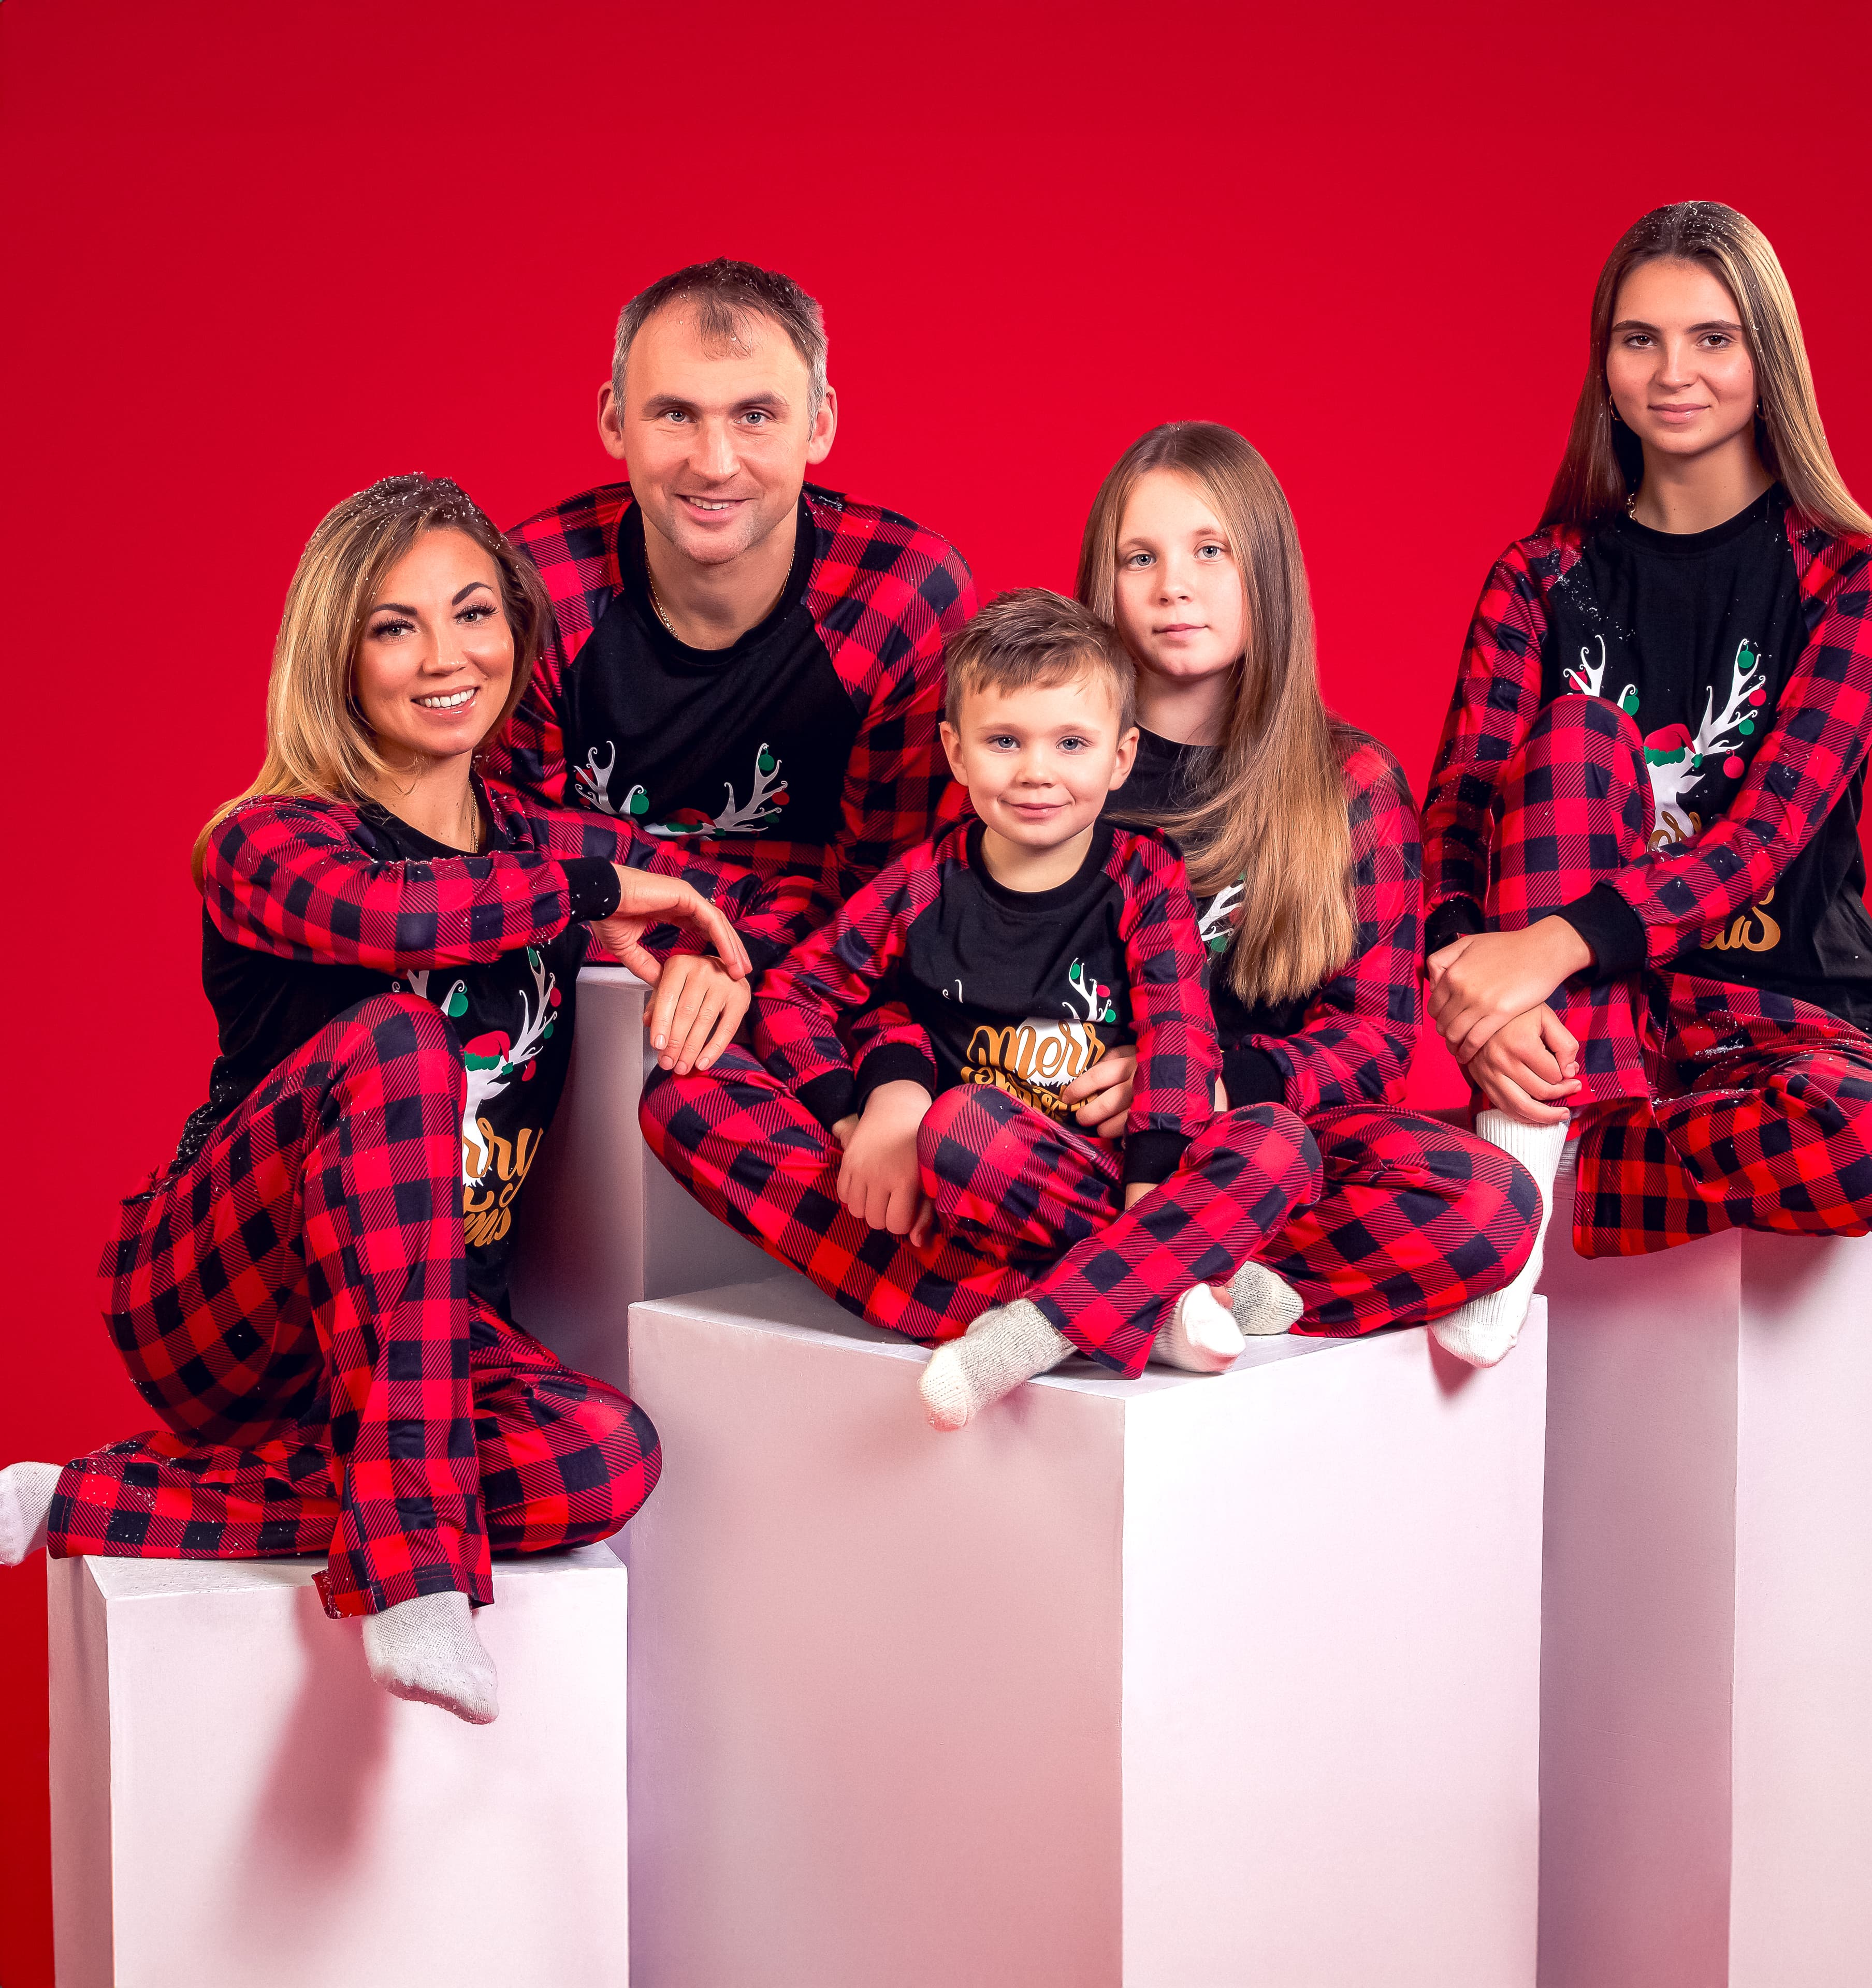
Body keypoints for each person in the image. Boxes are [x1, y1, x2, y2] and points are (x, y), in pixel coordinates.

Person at [0, 476, 755, 1724]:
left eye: (473, 615)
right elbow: (389, 914)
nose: (446, 657)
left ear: (517, 631)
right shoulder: (265, 840)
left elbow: (745, 903)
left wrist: (705, 958)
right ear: (339, 657)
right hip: (227, 1298)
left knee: (607, 1457)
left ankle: (66, 1501)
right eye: (395, 627)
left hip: (423, 1335)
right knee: (402, 1042)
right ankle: (415, 1575)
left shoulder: (537, 843)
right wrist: (596, 890)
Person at [1421, 201, 1872, 1364]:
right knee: (1572, 739)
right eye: (1639, 338)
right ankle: (1529, 1132)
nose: (1675, 373)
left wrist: (1543, 948)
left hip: (1779, 1007)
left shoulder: (1850, 573)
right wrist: (1467, 969)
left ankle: (1539, 1175)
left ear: (1769, 359)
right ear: (1603, 366)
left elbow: (1766, 832)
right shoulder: (1541, 576)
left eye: (1713, 338)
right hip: (1591, 1032)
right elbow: (1457, 804)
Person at [644, 590, 1325, 1429]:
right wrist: (859, 1114)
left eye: (1070, 743)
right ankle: (1158, 1296)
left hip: (1085, 1173)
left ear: (1121, 756)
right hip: (949, 1191)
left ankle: (1062, 1315)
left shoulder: (1145, 876)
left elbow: (1180, 1034)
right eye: (1005, 742)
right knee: (685, 1098)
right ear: (956, 753)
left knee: (1275, 1142)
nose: (1037, 771)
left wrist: (1156, 1201)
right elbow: (796, 992)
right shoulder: (923, 882)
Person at [1066, 420, 1542, 1369]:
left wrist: (1206, 1085)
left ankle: (1160, 1290)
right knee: (966, 1150)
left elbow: (1375, 1043)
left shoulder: (1351, 783)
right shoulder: (1055, 766)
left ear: (1267, 575)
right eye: (1140, 557)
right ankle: (1152, 1277)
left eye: (1212, 551)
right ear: (1101, 584)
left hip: (1267, 1152)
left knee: (1491, 1205)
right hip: (1088, 1142)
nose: (1175, 587)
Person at [487, 256, 977, 1066]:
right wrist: (709, 929)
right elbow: (511, 843)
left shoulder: (901, 594)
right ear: (615, 421)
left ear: (819, 425)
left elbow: (887, 887)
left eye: (755, 417)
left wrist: (731, 951)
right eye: (675, 415)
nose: (714, 463)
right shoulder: (533, 586)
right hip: (576, 986)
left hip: (817, 991)